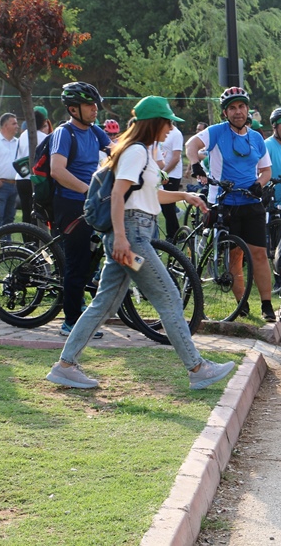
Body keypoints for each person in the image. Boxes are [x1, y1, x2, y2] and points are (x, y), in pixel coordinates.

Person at [46, 97, 236, 390]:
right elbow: (119, 196)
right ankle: (198, 368)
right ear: (155, 123)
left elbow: (148, 195)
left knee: (103, 304)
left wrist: (185, 196)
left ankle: (65, 365)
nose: (171, 128)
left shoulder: (140, 152)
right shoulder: (136, 152)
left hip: (129, 239)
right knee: (169, 297)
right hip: (132, 239)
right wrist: (121, 239)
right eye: (168, 122)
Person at [186, 87, 276, 322]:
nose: (238, 112)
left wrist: (259, 183)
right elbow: (190, 146)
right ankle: (241, 304)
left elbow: (266, 170)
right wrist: (196, 166)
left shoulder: (256, 137)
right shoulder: (216, 132)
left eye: (242, 107)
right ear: (225, 112)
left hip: (251, 202)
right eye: (233, 108)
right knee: (235, 256)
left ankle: (267, 306)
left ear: (248, 109)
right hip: (224, 202)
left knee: (259, 254)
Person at [50, 82, 114, 336]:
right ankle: (71, 322)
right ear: (73, 108)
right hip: (70, 202)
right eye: (89, 105)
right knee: (76, 263)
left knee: (93, 255)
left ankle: (81, 301)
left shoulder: (94, 131)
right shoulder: (65, 133)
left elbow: (116, 152)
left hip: (91, 201)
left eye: (95, 104)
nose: (95, 109)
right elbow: (57, 170)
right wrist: (88, 189)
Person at [16, 109, 50, 225]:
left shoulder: (22, 135)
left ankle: (27, 241)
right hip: (35, 178)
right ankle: (37, 239)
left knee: (26, 212)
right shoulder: (44, 137)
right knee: (36, 211)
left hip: (21, 177)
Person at [156, 121, 184, 241]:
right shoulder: (161, 133)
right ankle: (175, 234)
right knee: (167, 207)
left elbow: (176, 158)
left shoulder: (176, 134)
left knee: (168, 206)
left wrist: (164, 173)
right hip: (164, 173)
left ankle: (173, 235)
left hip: (172, 175)